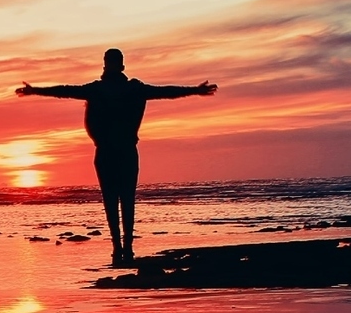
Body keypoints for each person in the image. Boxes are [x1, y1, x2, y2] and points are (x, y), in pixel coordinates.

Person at [16, 49, 216, 266]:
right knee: (120, 200)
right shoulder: (118, 89)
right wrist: (36, 90)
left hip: (114, 151)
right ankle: (121, 246)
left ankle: (122, 246)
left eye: (109, 63)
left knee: (118, 200)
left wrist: (194, 91)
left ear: (109, 66)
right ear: (120, 66)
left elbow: (165, 92)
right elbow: (66, 90)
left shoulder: (118, 89)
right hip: (116, 151)